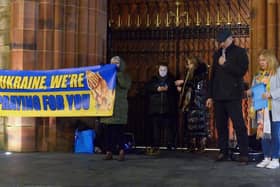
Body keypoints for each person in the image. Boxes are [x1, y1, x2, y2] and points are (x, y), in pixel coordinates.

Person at [206, 29, 249, 165]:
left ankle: (244, 154)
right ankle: (223, 151)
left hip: (233, 95)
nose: (221, 44)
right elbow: (213, 76)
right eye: (220, 42)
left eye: (223, 41)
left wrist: (225, 64)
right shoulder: (217, 54)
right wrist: (210, 96)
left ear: (230, 39)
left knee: (239, 125)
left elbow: (241, 71)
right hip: (218, 96)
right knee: (220, 125)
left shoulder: (240, 52)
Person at [247, 50, 280, 169]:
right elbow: (254, 90)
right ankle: (267, 157)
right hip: (262, 110)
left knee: (275, 134)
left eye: (263, 59)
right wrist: (250, 92)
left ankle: (275, 158)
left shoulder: (277, 72)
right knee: (263, 134)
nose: (261, 62)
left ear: (270, 60)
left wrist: (271, 94)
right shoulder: (258, 75)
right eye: (260, 60)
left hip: (274, 109)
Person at [175, 56, 209, 152]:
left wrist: (183, 86)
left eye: (189, 64)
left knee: (201, 125)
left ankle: (201, 145)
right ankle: (192, 145)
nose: (188, 66)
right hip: (192, 104)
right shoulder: (189, 74)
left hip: (199, 102)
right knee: (192, 125)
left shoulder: (200, 74)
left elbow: (195, 86)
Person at [101, 56, 131, 161]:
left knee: (119, 132)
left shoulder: (125, 76)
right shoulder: (106, 75)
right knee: (108, 132)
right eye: (112, 63)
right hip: (108, 107)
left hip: (119, 108)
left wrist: (117, 74)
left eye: (116, 63)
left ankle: (121, 151)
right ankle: (109, 151)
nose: (114, 65)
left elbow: (125, 85)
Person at [145, 61, 178, 155]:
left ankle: (170, 145)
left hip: (168, 109)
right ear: (158, 70)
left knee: (169, 129)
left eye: (164, 69)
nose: (163, 71)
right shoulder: (153, 79)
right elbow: (147, 88)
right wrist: (157, 88)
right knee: (155, 129)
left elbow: (175, 92)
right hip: (155, 109)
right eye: (161, 69)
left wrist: (169, 88)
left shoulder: (171, 79)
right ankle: (155, 145)